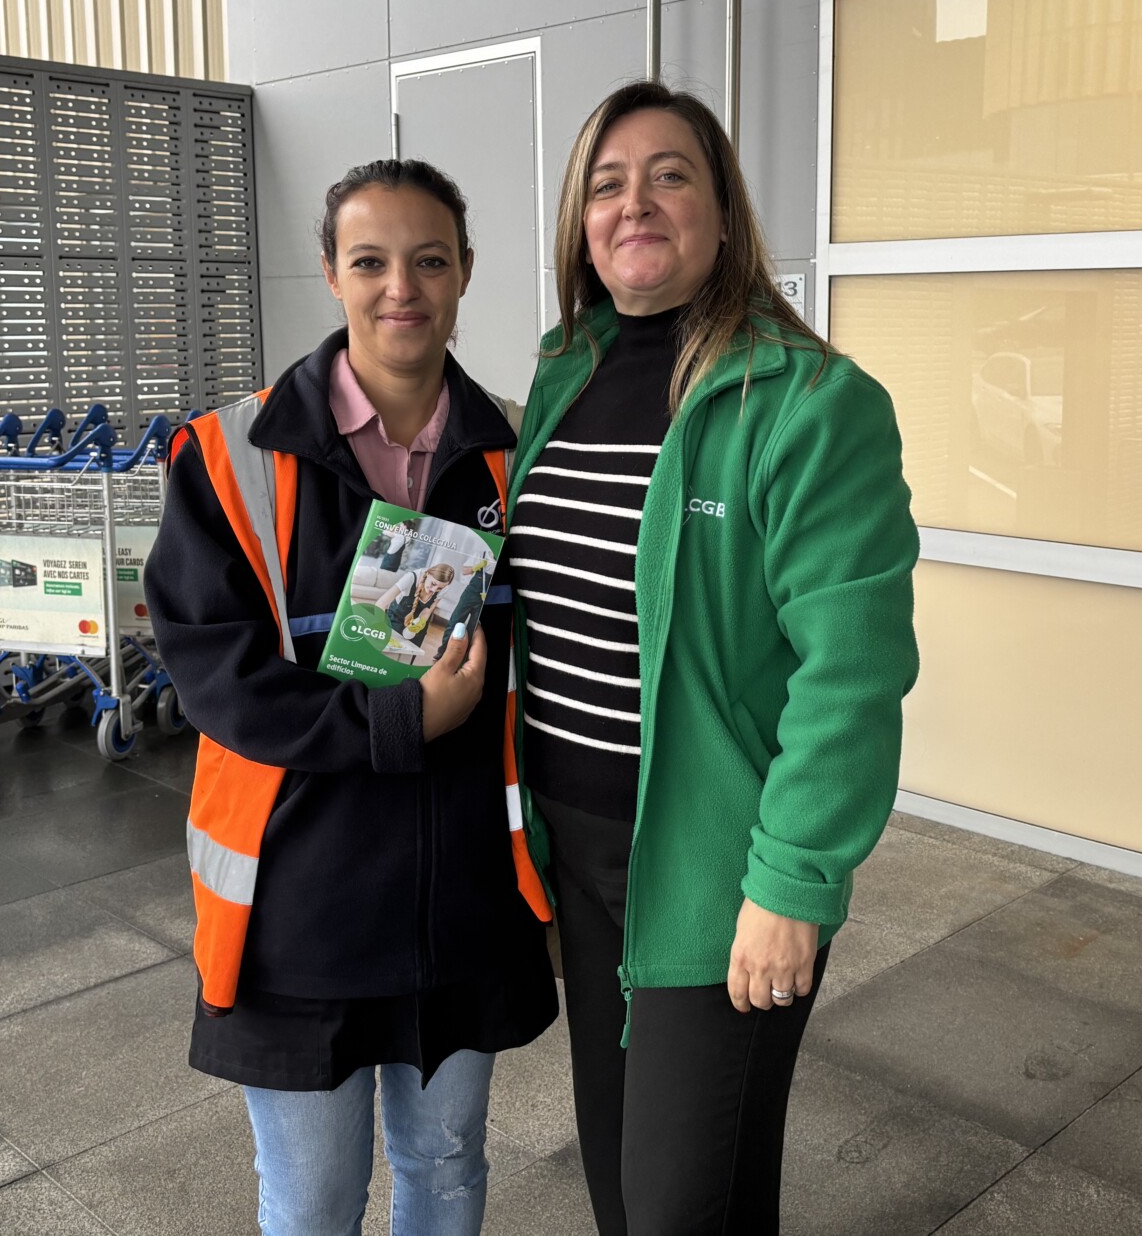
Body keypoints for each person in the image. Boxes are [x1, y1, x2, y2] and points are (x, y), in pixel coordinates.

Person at [504, 82, 919, 1234]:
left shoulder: (810, 403)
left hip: (713, 874)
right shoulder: (564, 374)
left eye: (669, 175)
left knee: (679, 1207)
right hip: (579, 858)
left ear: (723, 213)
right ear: (580, 222)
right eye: (605, 184)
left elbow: (850, 672)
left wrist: (791, 883)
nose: (633, 203)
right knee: (617, 1180)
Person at [145, 158, 556, 1236]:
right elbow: (218, 678)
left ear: (465, 271)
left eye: (430, 261)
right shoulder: (228, 457)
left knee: (447, 1167)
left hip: (463, 901)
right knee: (314, 1200)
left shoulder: (517, 454)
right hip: (301, 912)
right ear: (330, 273)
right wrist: (396, 719)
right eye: (369, 262)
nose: (400, 289)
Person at [381, 559, 456, 648]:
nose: (434, 590)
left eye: (439, 588)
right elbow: (382, 603)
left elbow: (428, 610)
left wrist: (421, 622)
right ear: (428, 574)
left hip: (417, 625)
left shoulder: (444, 587)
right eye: (433, 584)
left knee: (410, 652)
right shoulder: (411, 578)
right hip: (396, 618)